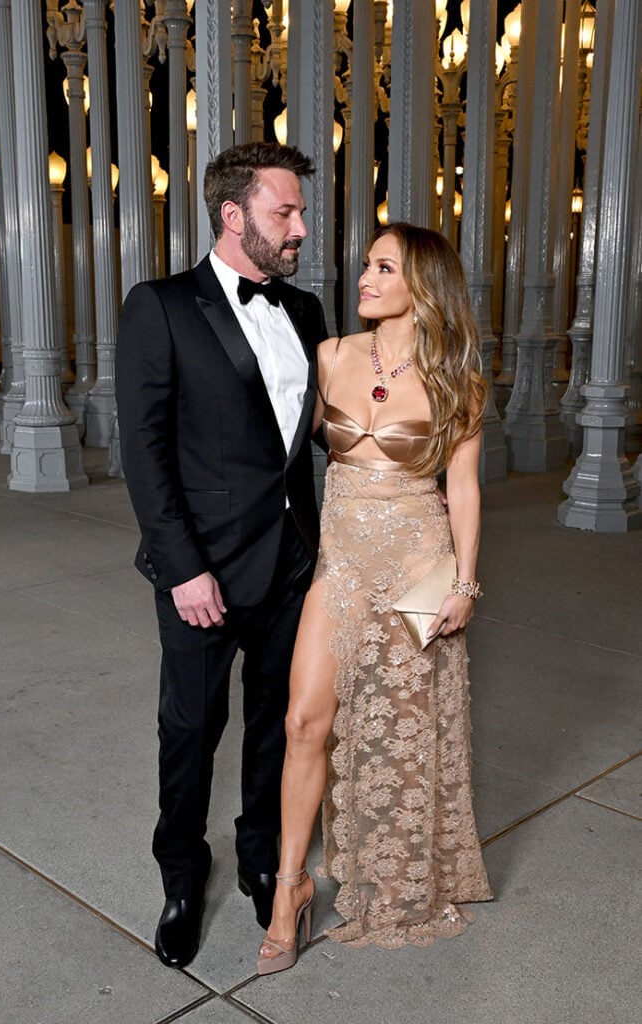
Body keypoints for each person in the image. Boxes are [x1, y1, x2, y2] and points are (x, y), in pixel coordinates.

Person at [256, 223, 493, 975]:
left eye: (382, 267)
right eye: (365, 264)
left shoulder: (459, 375)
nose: (363, 277)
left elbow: (461, 485)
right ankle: (290, 885)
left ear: (420, 284)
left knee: (400, 734)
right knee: (303, 722)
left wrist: (462, 582)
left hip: (417, 567)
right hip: (341, 564)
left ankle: (398, 874)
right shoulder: (330, 356)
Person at [116, 142, 328, 969]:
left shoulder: (305, 312)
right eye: (286, 212)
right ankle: (179, 877)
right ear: (233, 215)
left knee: (277, 728)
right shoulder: (160, 306)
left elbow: (316, 436)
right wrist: (182, 569)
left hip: (292, 567)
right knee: (190, 731)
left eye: (300, 212)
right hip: (201, 572)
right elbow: (146, 451)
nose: (301, 228)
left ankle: (261, 858)